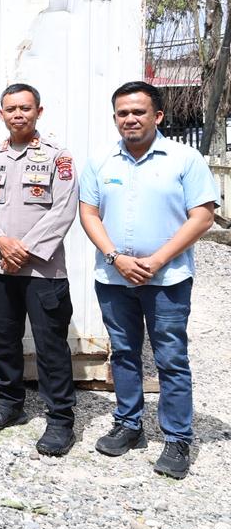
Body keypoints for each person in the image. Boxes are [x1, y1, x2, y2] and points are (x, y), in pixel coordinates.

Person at [79, 80, 217, 480]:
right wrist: (115, 257)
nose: (130, 119)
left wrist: (156, 260)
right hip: (114, 277)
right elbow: (89, 213)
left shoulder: (185, 159)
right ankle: (129, 424)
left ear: (157, 115)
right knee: (123, 353)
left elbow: (202, 217)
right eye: (122, 113)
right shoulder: (101, 162)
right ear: (115, 118)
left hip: (168, 280)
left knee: (170, 358)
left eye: (138, 112)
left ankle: (177, 438)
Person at [0, 83, 79, 456]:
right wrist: (2, 243)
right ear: (1, 114)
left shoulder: (57, 157)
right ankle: (9, 403)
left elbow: (64, 209)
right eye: (11, 109)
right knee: (5, 340)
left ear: (39, 111)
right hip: (2, 269)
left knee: (51, 347)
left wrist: (25, 249)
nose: (18, 114)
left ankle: (60, 420)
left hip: (44, 273)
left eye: (25, 108)